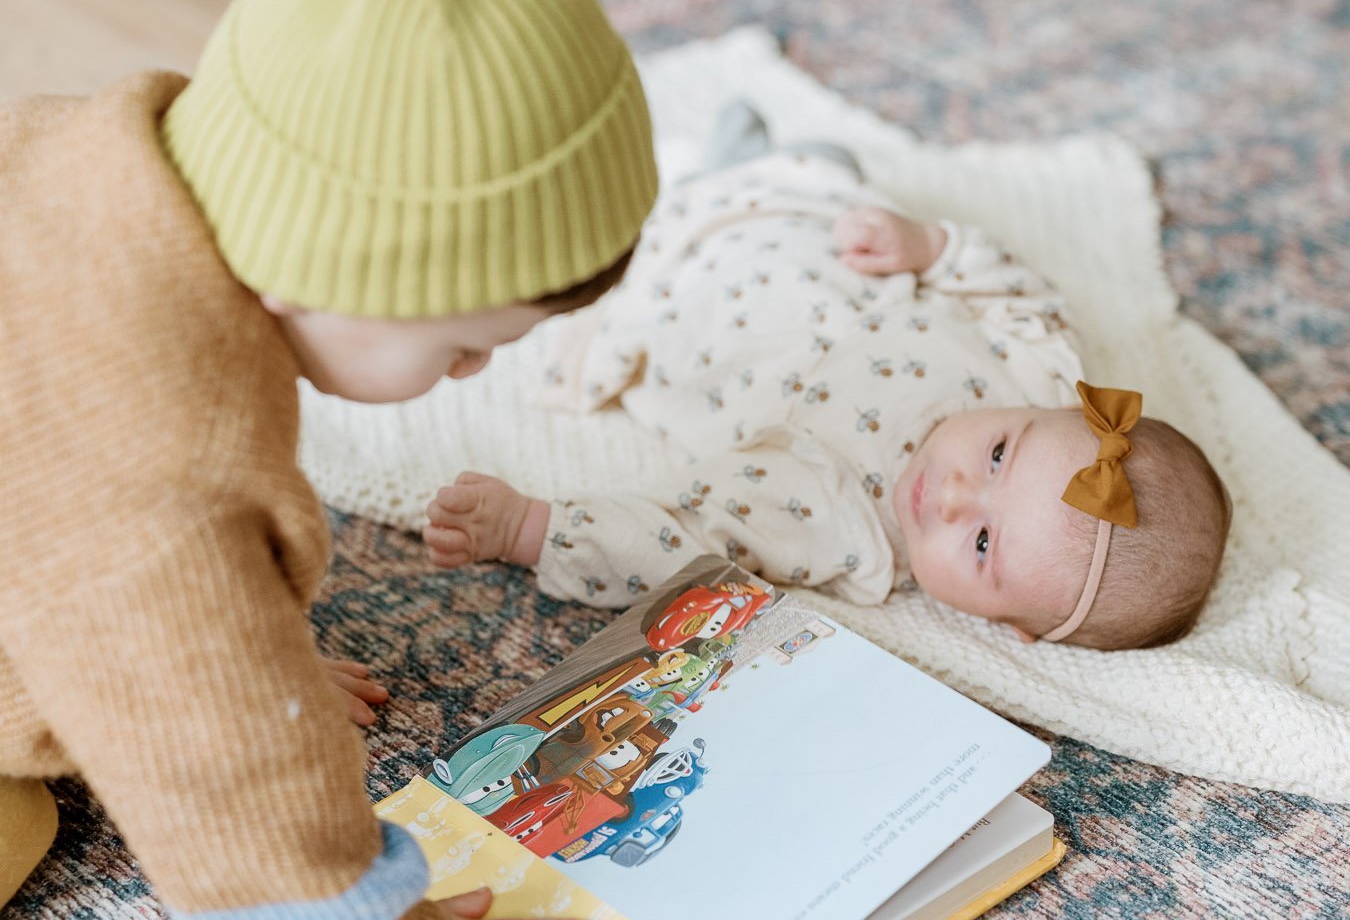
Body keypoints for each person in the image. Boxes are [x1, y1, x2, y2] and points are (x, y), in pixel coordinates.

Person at [0, 0, 659, 920]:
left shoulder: (81, 157)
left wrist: (262, 626)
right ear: (330, 270)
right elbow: (210, 755)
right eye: (464, 345)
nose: (470, 376)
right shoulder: (155, 468)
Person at [425, 111, 1230, 651]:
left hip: (680, 301)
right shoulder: (1035, 370)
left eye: (981, 543)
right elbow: (1013, 291)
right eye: (996, 455)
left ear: (1006, 623)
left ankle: (710, 181)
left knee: (576, 249)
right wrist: (929, 248)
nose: (951, 496)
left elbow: (678, 542)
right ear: (1054, 409)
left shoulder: (835, 524)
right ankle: (759, 167)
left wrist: (531, 527)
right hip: (804, 238)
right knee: (828, 186)